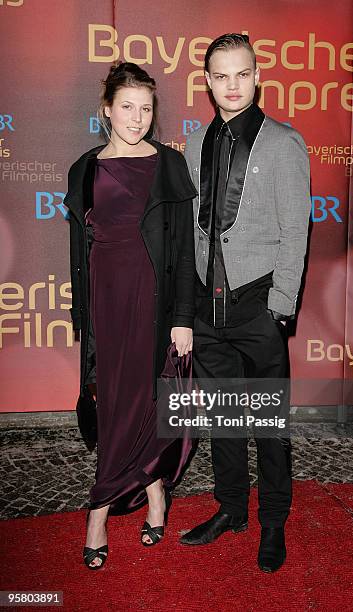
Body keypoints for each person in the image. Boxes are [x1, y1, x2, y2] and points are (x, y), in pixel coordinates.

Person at [180, 34, 310, 573]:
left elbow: (294, 232)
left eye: (241, 74)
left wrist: (280, 307)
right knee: (226, 421)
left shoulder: (284, 143)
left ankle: (273, 519)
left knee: (269, 424)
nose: (231, 86)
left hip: (259, 306)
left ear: (256, 76)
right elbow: (193, 231)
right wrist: (187, 311)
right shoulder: (194, 144)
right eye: (220, 76)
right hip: (209, 312)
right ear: (207, 82)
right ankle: (231, 509)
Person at [65, 62, 196, 569]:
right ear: (107, 110)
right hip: (105, 303)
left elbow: (183, 251)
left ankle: (99, 510)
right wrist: (83, 313)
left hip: (153, 303)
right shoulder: (86, 169)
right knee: (116, 403)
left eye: (146, 109)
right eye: (127, 107)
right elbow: (79, 248)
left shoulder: (169, 165)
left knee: (146, 401)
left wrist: (183, 317)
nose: (137, 118)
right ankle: (155, 493)